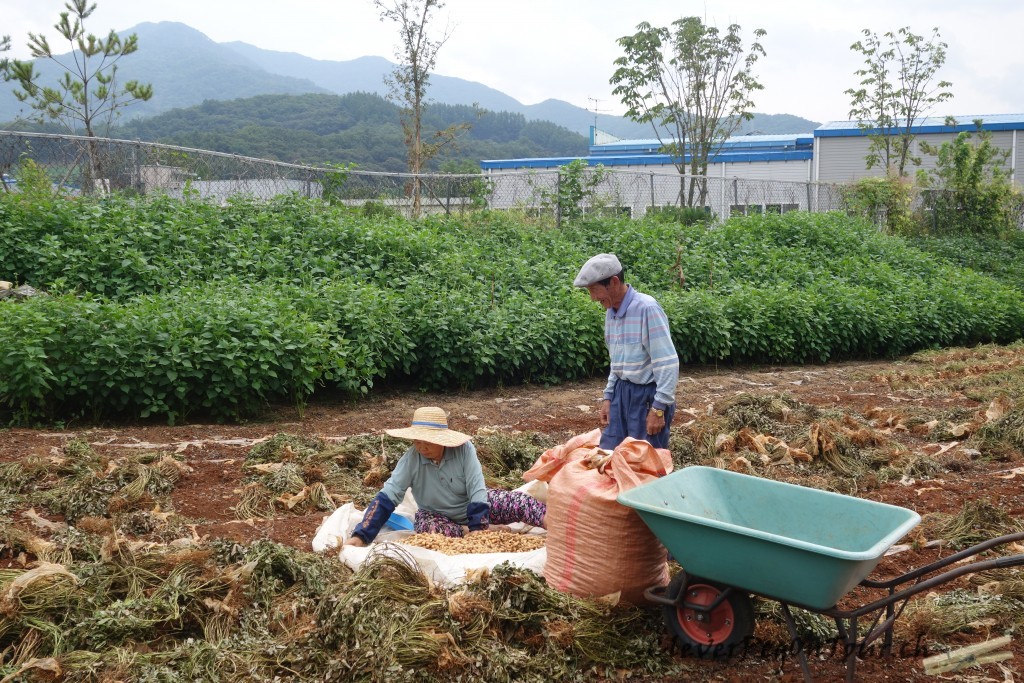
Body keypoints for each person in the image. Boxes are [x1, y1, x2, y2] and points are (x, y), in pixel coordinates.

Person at [344, 406, 546, 546]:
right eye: (417, 440)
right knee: (426, 527)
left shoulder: (464, 450)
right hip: (436, 515)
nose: (421, 446)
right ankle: (470, 531)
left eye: (428, 441)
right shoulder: (411, 459)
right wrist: (362, 535)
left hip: (473, 507)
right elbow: (388, 496)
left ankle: (556, 526)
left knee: (520, 501)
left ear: (441, 440)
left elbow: (477, 490)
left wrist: (478, 527)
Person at [573, 253, 679, 451]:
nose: (593, 298)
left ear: (613, 282)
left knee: (643, 463)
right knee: (609, 456)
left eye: (594, 290)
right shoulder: (610, 313)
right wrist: (608, 398)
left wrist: (658, 408)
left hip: (647, 398)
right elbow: (617, 363)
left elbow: (667, 362)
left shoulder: (647, 309)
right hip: (621, 394)